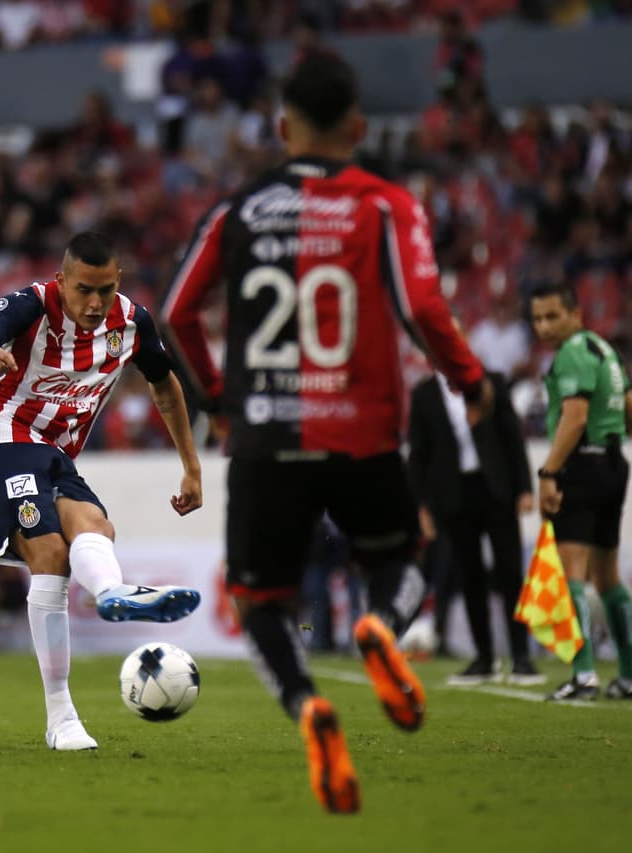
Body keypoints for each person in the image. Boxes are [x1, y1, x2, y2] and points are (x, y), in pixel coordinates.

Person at [162, 51, 493, 814]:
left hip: (265, 439)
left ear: (282, 127)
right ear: (359, 126)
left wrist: (217, 400)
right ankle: (380, 626)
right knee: (403, 557)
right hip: (364, 435)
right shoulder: (387, 205)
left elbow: (177, 309)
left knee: (261, 600)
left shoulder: (237, 210)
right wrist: (470, 382)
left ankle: (310, 706)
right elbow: (423, 309)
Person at [0, 230, 204, 752]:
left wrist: (191, 467)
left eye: (105, 290)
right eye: (84, 289)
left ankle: (112, 594)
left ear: (119, 283)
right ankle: (61, 717)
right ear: (63, 280)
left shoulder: (131, 322)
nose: (94, 303)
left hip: (55, 456)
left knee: (95, 526)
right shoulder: (29, 304)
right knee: (49, 551)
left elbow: (165, 384)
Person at [529, 281, 632, 701]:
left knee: (571, 574)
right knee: (608, 577)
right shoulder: (604, 351)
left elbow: (575, 418)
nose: (543, 327)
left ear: (575, 314)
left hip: (582, 464)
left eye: (552, 316)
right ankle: (629, 675)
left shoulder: (574, 353)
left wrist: (549, 472)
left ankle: (583, 676)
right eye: (537, 319)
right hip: (615, 466)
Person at [408, 369, 541, 685]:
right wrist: (421, 506)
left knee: (510, 571)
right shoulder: (424, 394)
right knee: (469, 575)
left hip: (495, 487)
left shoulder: (490, 382)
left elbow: (512, 437)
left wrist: (524, 488)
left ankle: (521, 656)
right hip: (454, 494)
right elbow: (418, 455)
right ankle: (484, 657)